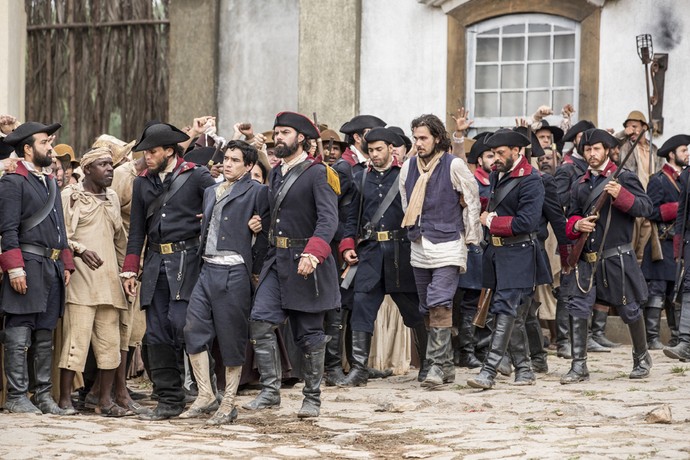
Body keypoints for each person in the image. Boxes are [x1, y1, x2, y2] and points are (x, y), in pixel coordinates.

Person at [242, 111, 340, 418]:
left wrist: (314, 253)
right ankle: (271, 391)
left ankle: (312, 397)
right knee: (259, 320)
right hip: (278, 261)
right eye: (277, 132)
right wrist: (262, 223)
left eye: (284, 132)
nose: (278, 137)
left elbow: (328, 219)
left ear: (301, 138)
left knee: (309, 334)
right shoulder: (280, 172)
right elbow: (279, 214)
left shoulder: (319, 173)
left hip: (307, 262)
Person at [120, 121, 216, 420]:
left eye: (153, 151)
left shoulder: (197, 176)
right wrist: (130, 270)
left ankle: (206, 393)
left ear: (170, 151)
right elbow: (137, 232)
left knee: (183, 326)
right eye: (145, 151)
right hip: (154, 265)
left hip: (188, 261)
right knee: (157, 334)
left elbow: (219, 213)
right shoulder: (142, 182)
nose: (147, 156)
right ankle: (169, 401)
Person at [182, 140, 269, 425]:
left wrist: (258, 230)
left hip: (234, 271)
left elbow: (268, 229)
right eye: (227, 158)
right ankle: (206, 394)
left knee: (232, 338)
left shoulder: (257, 191)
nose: (228, 163)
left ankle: (229, 402)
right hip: (206, 269)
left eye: (235, 160)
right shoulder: (210, 191)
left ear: (248, 166)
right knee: (193, 329)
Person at [562, 129, 653, 384]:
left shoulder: (624, 177)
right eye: (588, 149)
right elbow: (571, 216)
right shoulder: (580, 184)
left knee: (629, 310)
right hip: (587, 260)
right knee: (578, 308)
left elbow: (646, 207)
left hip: (616, 258)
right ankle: (579, 366)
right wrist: (577, 225)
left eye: (597, 149)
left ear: (608, 150)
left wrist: (620, 195)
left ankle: (641, 358)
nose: (592, 154)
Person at [338, 127, 427, 386]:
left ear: (391, 149)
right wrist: (347, 246)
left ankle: (427, 364)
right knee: (361, 310)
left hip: (401, 253)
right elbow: (352, 218)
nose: (375, 155)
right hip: (371, 253)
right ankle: (359, 369)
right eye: (371, 150)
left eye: (379, 149)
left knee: (414, 312)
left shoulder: (406, 176)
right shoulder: (359, 178)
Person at [400, 114, 481, 388]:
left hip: (448, 242)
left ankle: (434, 365)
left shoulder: (453, 164)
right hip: (420, 244)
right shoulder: (408, 167)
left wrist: (471, 235)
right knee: (425, 305)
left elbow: (471, 198)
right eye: (416, 138)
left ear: (437, 137)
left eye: (423, 138)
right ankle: (446, 366)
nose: (419, 143)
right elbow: (405, 200)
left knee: (439, 300)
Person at [0, 121, 75, 415]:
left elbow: (60, 228)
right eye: (45, 142)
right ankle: (17, 396)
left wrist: (66, 261)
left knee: (45, 334)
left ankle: (43, 395)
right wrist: (15, 268)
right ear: (28, 149)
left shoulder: (50, 182)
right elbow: (7, 230)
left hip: (52, 267)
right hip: (27, 265)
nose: (50, 147)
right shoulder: (12, 182)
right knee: (19, 332)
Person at [467, 128, 549, 389]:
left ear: (518, 151)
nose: (495, 159)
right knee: (507, 313)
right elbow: (498, 203)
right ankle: (524, 369)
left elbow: (527, 221)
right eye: (492, 154)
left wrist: (491, 220)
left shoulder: (532, 180)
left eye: (501, 153)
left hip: (519, 252)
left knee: (505, 309)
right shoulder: (496, 175)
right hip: (496, 253)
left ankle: (488, 371)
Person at [57, 147, 129, 416]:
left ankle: (104, 401)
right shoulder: (71, 196)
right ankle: (65, 399)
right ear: (87, 169)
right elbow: (60, 234)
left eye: (111, 164)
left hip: (109, 283)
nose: (109, 169)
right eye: (102, 165)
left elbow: (120, 240)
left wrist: (127, 273)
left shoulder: (111, 198)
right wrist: (79, 249)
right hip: (81, 281)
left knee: (110, 346)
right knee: (76, 341)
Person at [641, 135, 689, 350]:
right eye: (683, 150)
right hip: (661, 243)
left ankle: (678, 337)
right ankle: (651, 338)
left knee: (675, 292)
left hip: (677, 243)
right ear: (672, 154)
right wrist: (677, 208)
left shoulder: (685, 177)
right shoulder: (658, 179)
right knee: (656, 291)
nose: (687, 153)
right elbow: (649, 210)